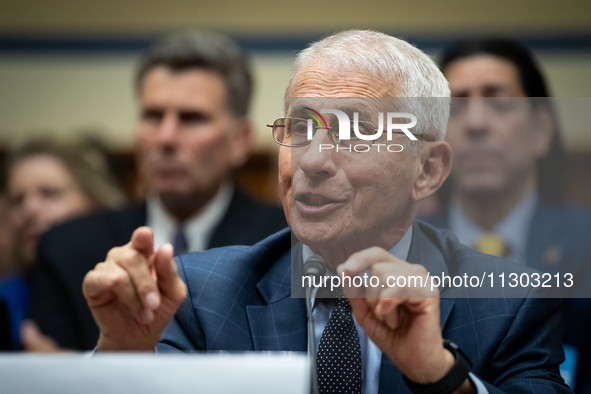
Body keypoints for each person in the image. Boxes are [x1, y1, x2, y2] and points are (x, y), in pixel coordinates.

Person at [83, 31, 570, 393]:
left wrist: (439, 375)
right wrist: (123, 355)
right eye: (299, 127)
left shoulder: (510, 303)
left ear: (428, 168)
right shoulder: (202, 295)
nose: (312, 161)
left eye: (355, 131)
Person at [27, 29, 287, 351]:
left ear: (241, 139)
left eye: (191, 118)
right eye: (153, 116)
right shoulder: (67, 248)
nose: (165, 138)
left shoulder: (285, 244)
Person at [420, 38, 591, 392]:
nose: (477, 124)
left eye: (499, 103)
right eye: (456, 107)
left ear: (542, 129)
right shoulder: (399, 247)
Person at [0, 138, 126, 349]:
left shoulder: (124, 294)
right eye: (17, 199)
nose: (29, 209)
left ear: (97, 202)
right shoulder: (7, 298)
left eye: (50, 194)